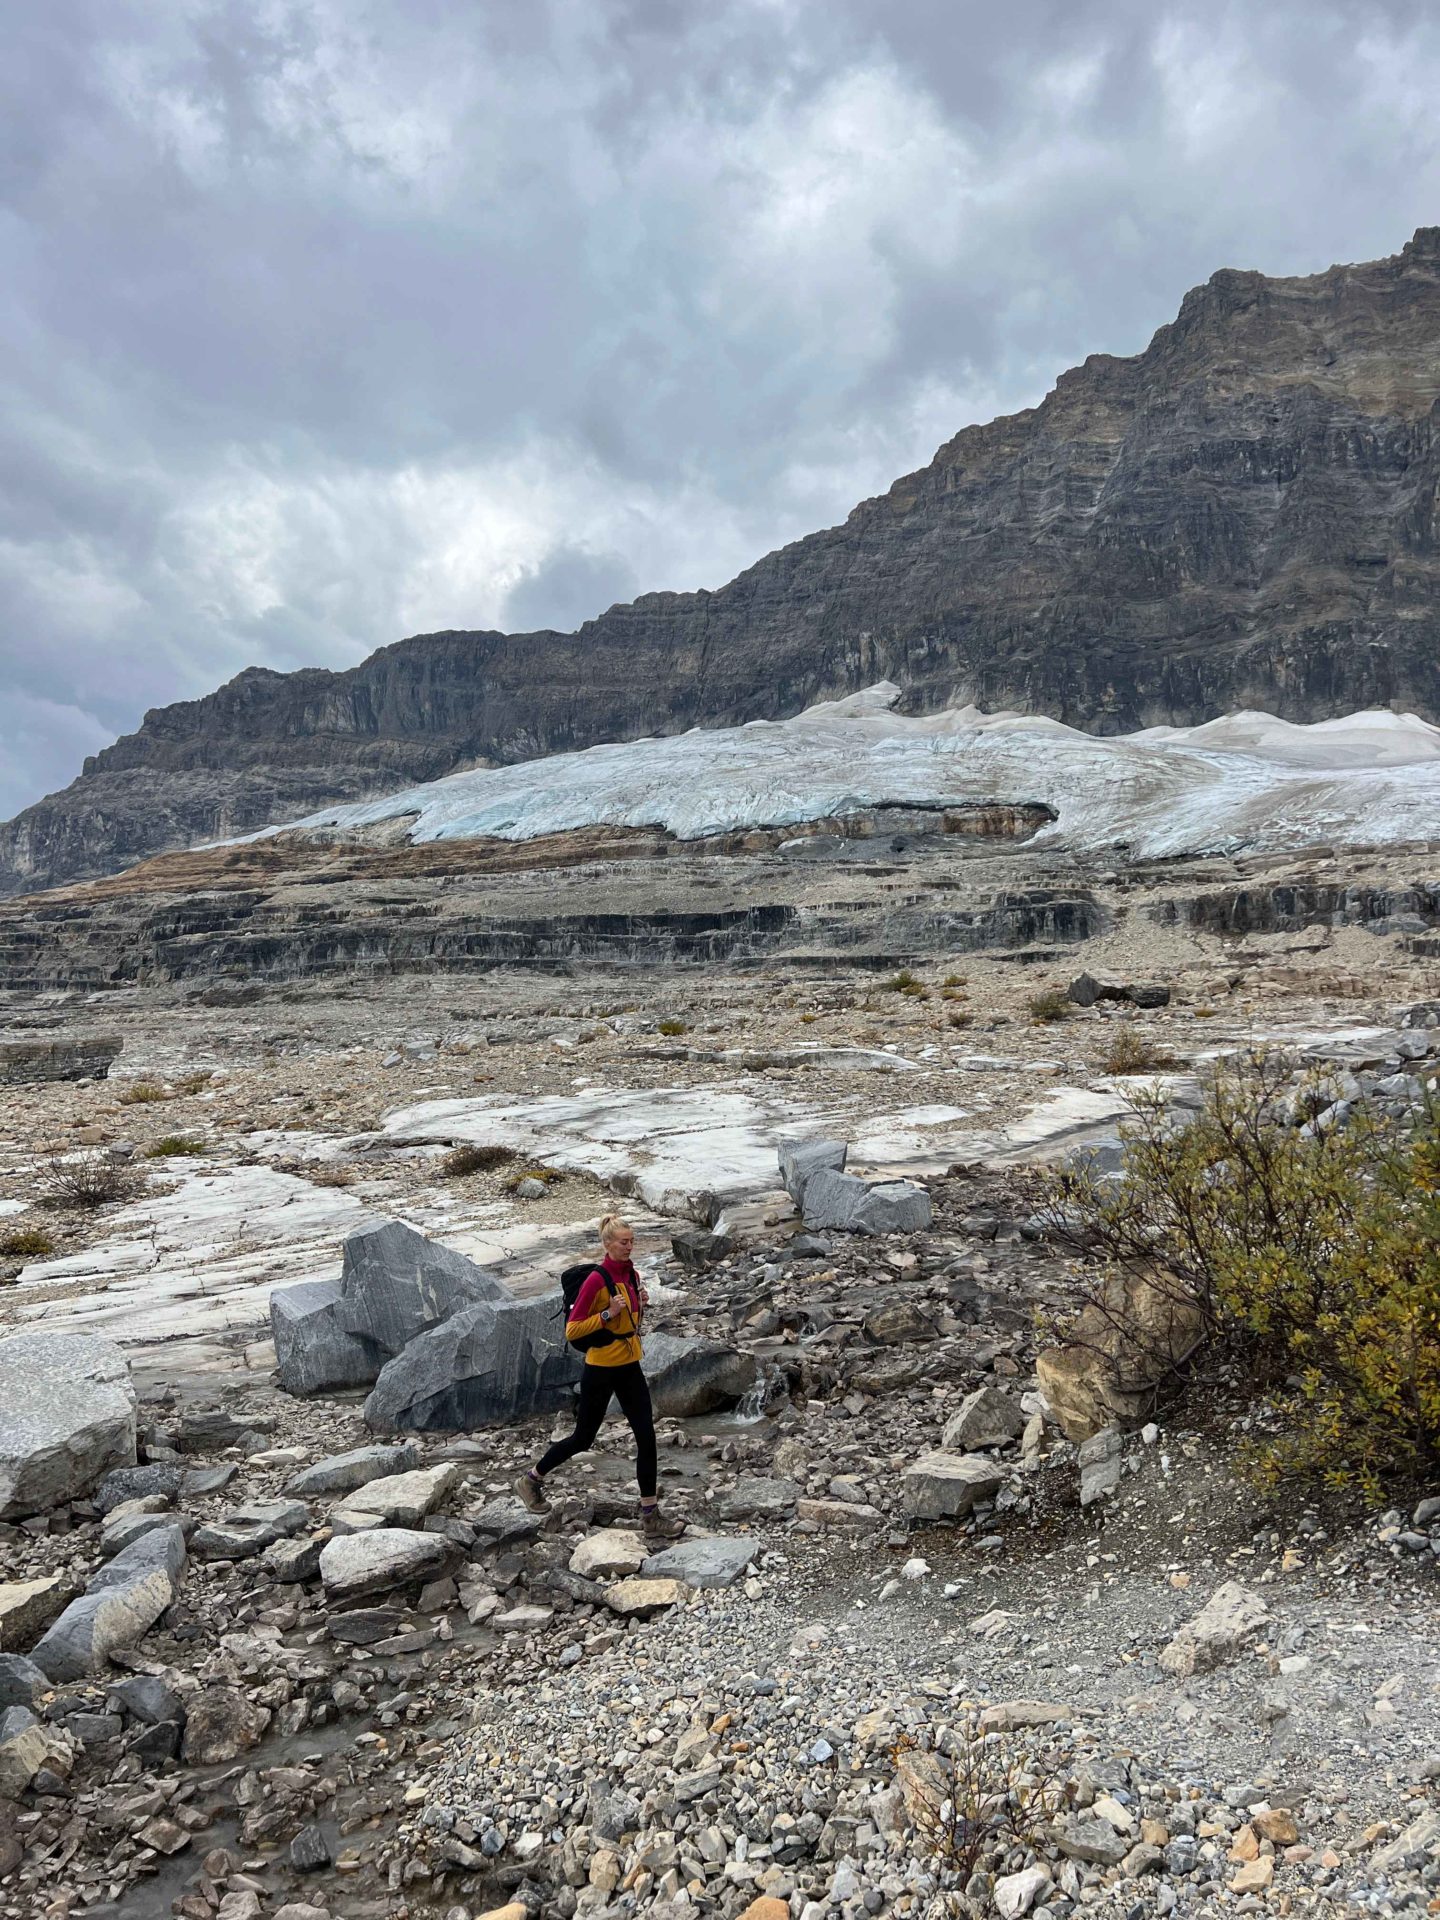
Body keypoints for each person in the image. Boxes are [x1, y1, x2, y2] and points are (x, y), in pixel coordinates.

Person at [515, 1212, 684, 1543]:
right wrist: (608, 1313)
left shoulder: (631, 1274)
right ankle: (531, 1479)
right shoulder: (597, 1279)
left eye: (632, 1241)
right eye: (624, 1242)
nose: (630, 1246)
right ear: (608, 1245)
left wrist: (640, 1303)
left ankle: (651, 1516)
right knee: (583, 1438)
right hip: (601, 1367)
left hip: (629, 1364)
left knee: (646, 1436)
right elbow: (574, 1328)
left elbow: (631, 1325)